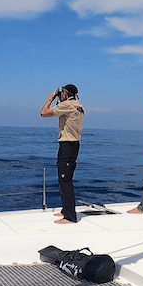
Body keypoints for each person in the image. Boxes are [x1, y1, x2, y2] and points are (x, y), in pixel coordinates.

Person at [40, 84, 84, 224]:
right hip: (74, 145)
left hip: (67, 145)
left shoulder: (67, 105)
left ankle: (70, 217)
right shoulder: (78, 105)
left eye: (62, 93)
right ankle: (66, 210)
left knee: (65, 180)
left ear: (66, 94)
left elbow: (44, 113)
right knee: (65, 177)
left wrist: (50, 99)